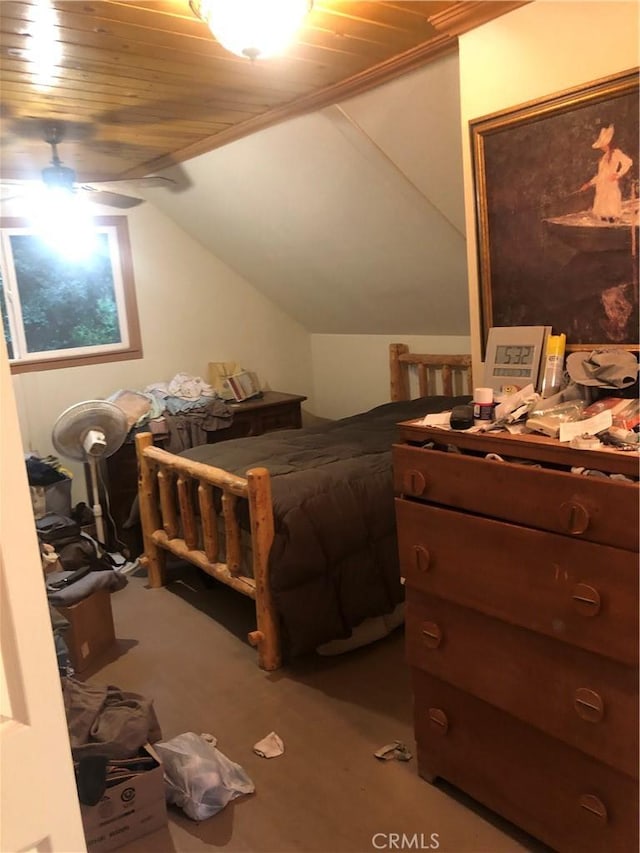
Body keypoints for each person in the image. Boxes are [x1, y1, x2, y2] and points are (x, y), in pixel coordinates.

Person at [579, 124, 633, 222]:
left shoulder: (616, 153)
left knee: (611, 210)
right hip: (602, 186)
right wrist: (589, 183)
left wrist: (618, 174)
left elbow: (628, 162)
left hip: (610, 186)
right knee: (603, 213)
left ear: (608, 143)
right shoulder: (604, 158)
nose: (601, 148)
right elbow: (600, 175)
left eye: (602, 145)